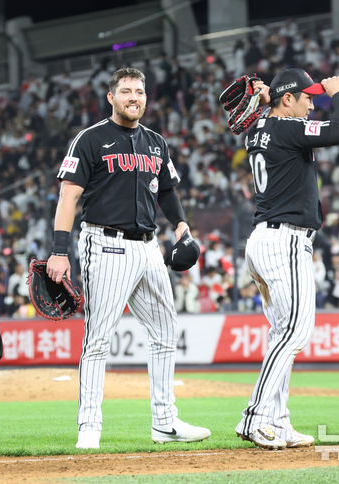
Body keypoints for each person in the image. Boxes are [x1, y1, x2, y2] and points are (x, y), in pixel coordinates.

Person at [46, 67, 210, 449]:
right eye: (126, 91)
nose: (134, 97)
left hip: (149, 247)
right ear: (111, 97)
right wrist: (59, 250)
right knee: (99, 338)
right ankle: (89, 426)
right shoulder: (90, 139)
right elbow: (68, 197)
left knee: (166, 333)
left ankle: (165, 422)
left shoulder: (156, 142)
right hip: (105, 243)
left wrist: (181, 225)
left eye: (139, 91)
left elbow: (166, 191)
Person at [234, 68, 339, 449]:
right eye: (307, 97)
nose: (313, 103)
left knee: (280, 334)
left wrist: (270, 101)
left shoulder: (258, 131)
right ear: (288, 99)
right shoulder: (286, 128)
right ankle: (255, 417)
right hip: (284, 240)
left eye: (316, 97)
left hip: (263, 239)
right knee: (295, 332)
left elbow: (268, 120)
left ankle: (278, 422)